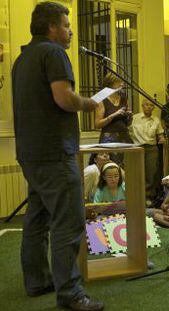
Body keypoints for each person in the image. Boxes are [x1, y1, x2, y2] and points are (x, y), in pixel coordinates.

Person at [12, 2, 103, 310]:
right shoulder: (53, 54)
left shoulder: (22, 59)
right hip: (54, 152)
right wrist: (88, 103)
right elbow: (64, 99)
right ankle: (71, 293)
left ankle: (37, 280)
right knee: (68, 222)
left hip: (30, 153)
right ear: (52, 27)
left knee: (37, 218)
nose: (70, 31)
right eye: (66, 25)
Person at [129, 99, 165, 201]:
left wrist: (162, 139)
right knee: (137, 172)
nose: (149, 107)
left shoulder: (156, 120)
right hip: (136, 148)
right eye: (146, 105)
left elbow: (160, 135)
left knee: (151, 173)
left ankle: (147, 196)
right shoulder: (134, 118)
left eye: (151, 105)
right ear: (142, 106)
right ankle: (136, 196)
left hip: (151, 148)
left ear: (153, 108)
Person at [95, 73, 133, 143]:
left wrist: (130, 116)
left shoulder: (124, 97)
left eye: (122, 82)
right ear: (111, 84)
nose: (122, 84)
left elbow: (128, 123)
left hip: (124, 135)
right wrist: (114, 115)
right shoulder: (101, 99)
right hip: (108, 137)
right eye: (119, 82)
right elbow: (97, 124)